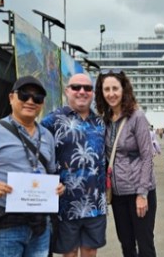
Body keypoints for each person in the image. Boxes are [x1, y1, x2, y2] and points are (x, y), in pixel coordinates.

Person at [0, 76, 65, 257]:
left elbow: (50, 173)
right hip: (6, 225)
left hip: (40, 225)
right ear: (11, 98)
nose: (31, 101)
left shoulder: (47, 135)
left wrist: (57, 187)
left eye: (37, 98)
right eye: (24, 95)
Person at [41, 73, 106, 257]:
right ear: (67, 91)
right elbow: (37, 152)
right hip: (65, 204)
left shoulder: (100, 122)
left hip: (95, 203)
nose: (82, 92)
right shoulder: (52, 120)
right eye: (76, 87)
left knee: (90, 251)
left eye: (87, 88)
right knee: (68, 253)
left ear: (93, 93)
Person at [94, 69, 157, 257]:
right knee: (126, 244)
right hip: (118, 194)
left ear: (124, 90)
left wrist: (142, 194)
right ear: (101, 93)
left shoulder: (136, 117)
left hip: (139, 192)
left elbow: (147, 156)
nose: (111, 94)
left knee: (145, 245)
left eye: (115, 88)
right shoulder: (105, 119)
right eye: (106, 89)